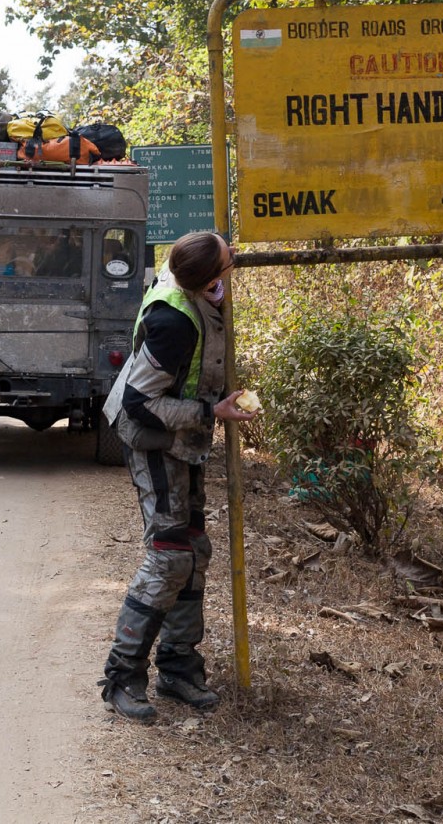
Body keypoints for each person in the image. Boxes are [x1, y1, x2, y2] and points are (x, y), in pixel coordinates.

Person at [98, 231, 260, 723]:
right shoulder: (174, 321)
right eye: (228, 260)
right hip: (151, 437)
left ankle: (178, 667)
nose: (234, 260)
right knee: (169, 556)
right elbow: (138, 403)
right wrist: (214, 411)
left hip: (182, 437)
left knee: (195, 552)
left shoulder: (194, 288)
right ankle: (121, 676)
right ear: (210, 276)